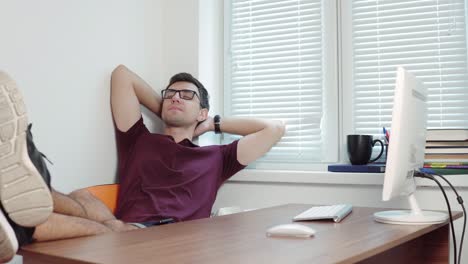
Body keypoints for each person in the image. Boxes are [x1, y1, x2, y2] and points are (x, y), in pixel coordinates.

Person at [0, 66, 285, 262]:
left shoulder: (217, 158)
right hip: (122, 227)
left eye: (187, 95)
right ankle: (22, 193)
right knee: (84, 198)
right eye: (170, 93)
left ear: (202, 111)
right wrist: (168, 107)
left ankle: (16, 221)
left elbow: (273, 128)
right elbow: (122, 75)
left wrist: (211, 123)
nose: (175, 97)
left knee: (108, 228)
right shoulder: (139, 139)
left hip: (165, 240)